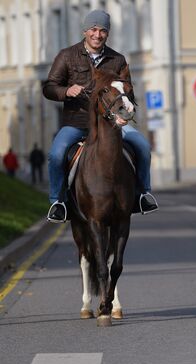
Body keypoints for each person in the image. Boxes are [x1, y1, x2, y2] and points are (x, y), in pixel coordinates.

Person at [43, 9, 158, 223]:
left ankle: (142, 195)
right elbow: (49, 87)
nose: (98, 34)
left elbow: (128, 93)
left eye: (103, 30)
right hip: (77, 122)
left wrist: (127, 111)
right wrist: (66, 91)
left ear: (108, 33)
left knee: (142, 146)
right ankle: (58, 202)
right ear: (85, 31)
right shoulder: (67, 56)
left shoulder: (118, 60)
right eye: (94, 29)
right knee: (56, 154)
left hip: (112, 123)